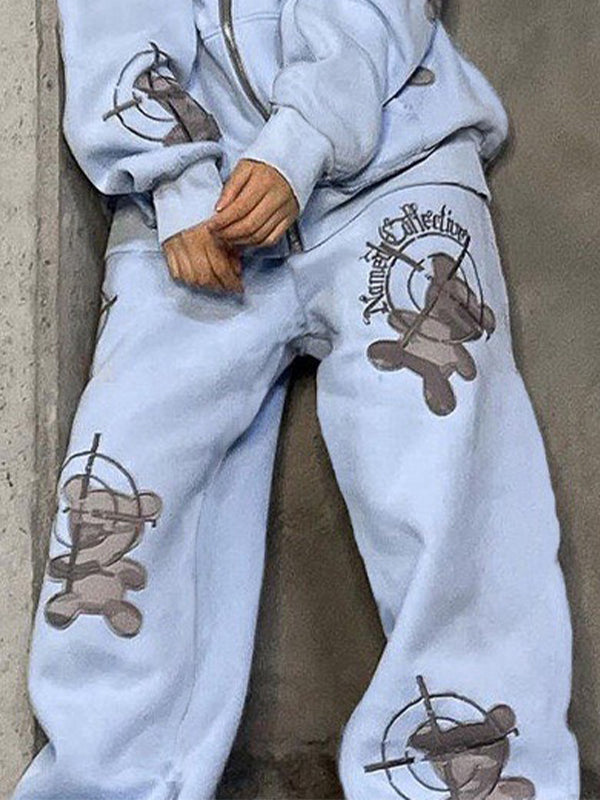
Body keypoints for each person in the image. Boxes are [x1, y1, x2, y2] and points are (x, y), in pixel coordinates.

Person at [12, 0, 580, 798]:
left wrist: (301, 140)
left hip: (395, 166)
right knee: (121, 499)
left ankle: (471, 783)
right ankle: (107, 783)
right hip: (191, 216)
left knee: (452, 488)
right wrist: (173, 175)